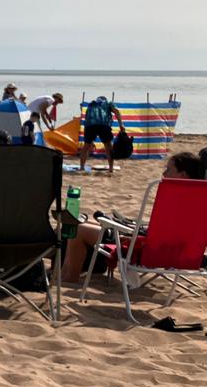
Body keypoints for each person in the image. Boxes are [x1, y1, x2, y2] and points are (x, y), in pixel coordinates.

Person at [59, 151, 205, 282]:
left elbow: (162, 236)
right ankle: (64, 272)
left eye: (168, 169)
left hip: (150, 252)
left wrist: (134, 233)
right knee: (84, 221)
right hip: (179, 253)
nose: (164, 174)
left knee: (79, 229)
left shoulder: (173, 200)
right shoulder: (199, 201)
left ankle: (70, 276)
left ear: (183, 174)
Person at [78, 96, 125, 173]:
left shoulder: (91, 104)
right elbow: (116, 111)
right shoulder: (108, 103)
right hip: (104, 125)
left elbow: (86, 118)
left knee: (86, 146)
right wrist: (121, 124)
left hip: (90, 126)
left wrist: (92, 141)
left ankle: (82, 167)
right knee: (108, 146)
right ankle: (111, 169)